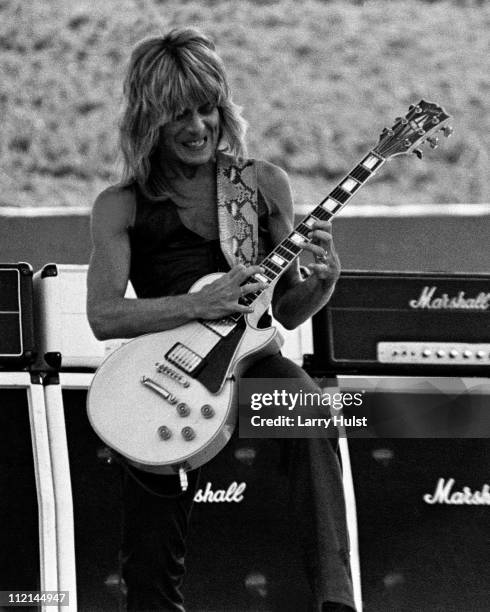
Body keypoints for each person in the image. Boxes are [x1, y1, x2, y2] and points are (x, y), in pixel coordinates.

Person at [87, 27, 355, 612]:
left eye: (206, 108)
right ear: (147, 120)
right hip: (161, 373)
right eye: (177, 114)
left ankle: (335, 601)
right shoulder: (121, 204)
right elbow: (104, 316)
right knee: (150, 569)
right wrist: (199, 304)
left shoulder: (261, 184)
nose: (196, 127)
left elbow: (285, 307)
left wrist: (324, 280)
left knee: (312, 414)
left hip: (253, 360)